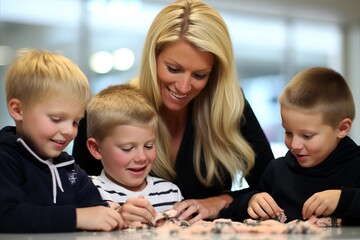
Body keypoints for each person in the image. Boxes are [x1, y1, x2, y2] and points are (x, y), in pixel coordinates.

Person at [73, 0, 274, 224]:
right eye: (174, 69)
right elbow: (75, 198)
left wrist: (220, 201)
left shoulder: (231, 107)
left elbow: (272, 187)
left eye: (200, 75)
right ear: (153, 58)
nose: (183, 86)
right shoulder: (109, 113)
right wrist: (114, 213)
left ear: (215, 73)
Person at [0, 49, 124, 233]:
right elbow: (6, 215)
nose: (68, 131)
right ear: (18, 110)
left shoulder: (68, 167)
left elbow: (94, 208)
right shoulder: (5, 158)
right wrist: (76, 217)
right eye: (56, 119)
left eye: (75, 122)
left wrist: (115, 214)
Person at [231, 66, 360, 225]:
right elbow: (235, 206)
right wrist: (250, 200)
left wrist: (344, 199)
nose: (295, 145)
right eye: (288, 132)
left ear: (342, 128)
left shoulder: (356, 167)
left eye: (307, 136)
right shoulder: (277, 171)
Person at [86, 84, 183, 227]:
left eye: (149, 146)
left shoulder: (171, 193)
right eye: (127, 148)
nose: (142, 157)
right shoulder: (86, 190)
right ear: (96, 149)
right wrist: (115, 219)